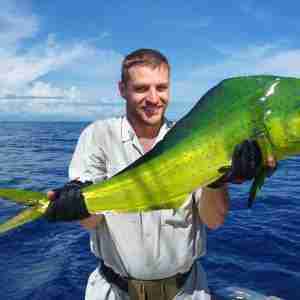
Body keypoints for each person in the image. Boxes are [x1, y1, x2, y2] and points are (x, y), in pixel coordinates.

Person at [45, 49, 269, 300]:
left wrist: (218, 181)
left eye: (161, 88)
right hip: (114, 292)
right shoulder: (98, 136)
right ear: (122, 89)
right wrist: (76, 204)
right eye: (141, 89)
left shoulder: (193, 139)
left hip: (186, 292)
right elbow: (90, 222)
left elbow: (213, 221)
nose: (154, 98)